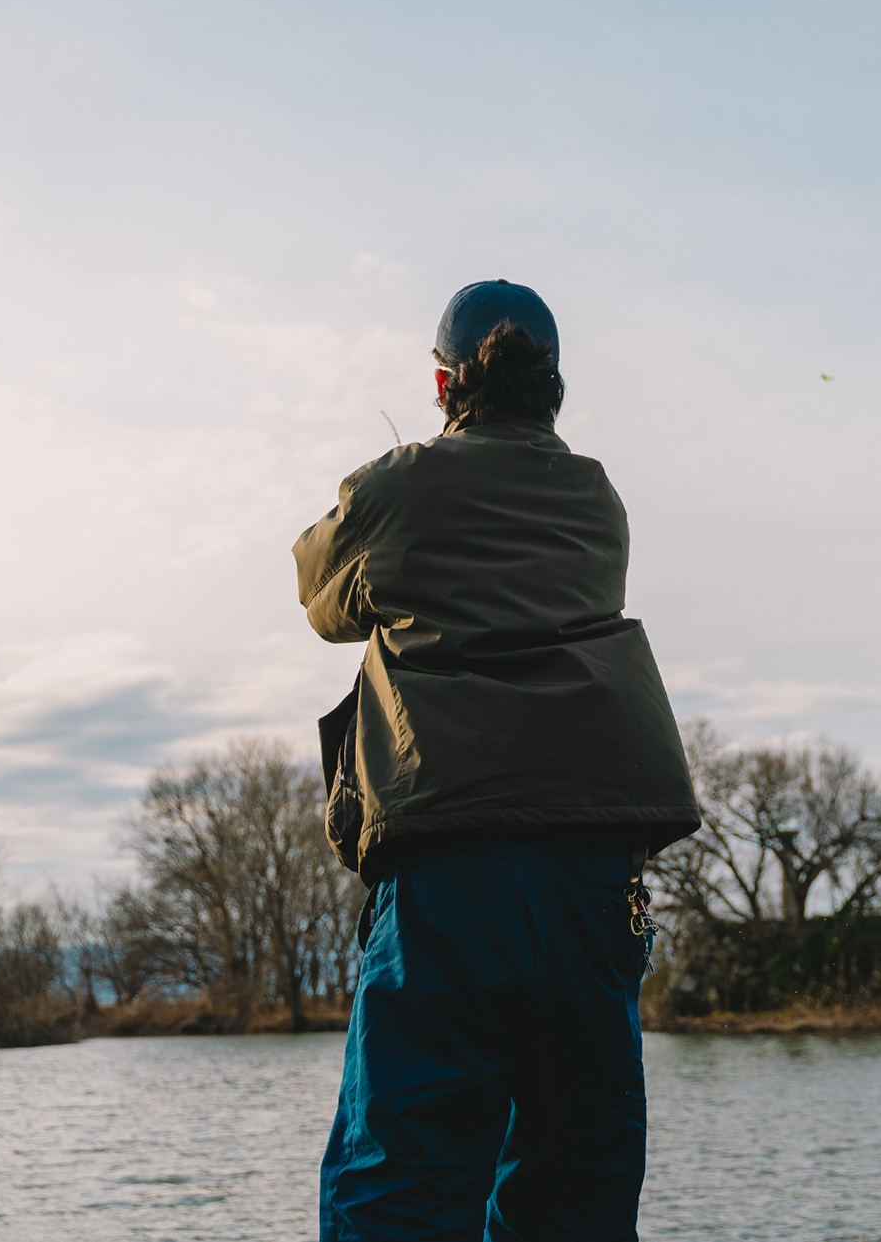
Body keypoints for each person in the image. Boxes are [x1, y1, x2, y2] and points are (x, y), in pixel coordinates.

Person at [293, 279, 700, 1241]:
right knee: (577, 1178)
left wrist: (407, 459)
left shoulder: (394, 488)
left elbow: (319, 594)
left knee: (401, 1178)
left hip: (452, 872)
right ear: (555, 387)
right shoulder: (598, 498)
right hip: (595, 877)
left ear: (442, 384)